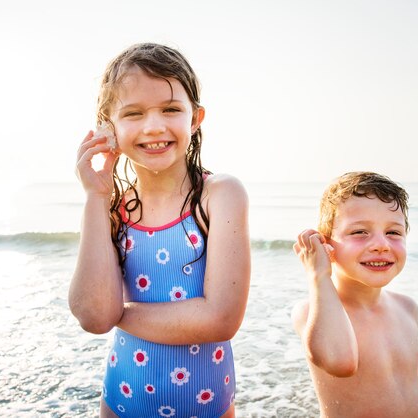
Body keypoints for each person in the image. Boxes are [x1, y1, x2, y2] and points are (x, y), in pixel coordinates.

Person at [68, 43, 250, 418]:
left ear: (195, 118)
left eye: (171, 109)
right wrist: (95, 198)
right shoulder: (113, 207)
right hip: (121, 402)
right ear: (109, 126)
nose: (154, 126)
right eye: (133, 113)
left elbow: (221, 319)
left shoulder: (220, 195)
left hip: (208, 408)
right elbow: (92, 315)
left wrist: (120, 314)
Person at [291, 171, 418, 418]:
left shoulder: (407, 308)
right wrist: (319, 276)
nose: (381, 244)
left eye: (394, 232)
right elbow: (340, 362)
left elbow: (415, 383)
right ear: (326, 243)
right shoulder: (311, 311)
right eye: (359, 232)